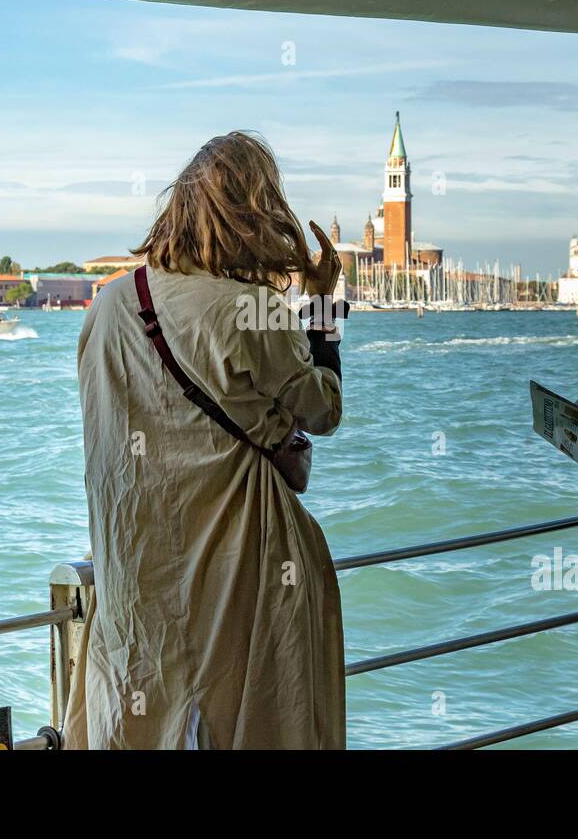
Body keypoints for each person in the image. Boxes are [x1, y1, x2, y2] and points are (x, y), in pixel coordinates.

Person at [65, 131, 346, 749]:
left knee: (138, 722)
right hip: (245, 574)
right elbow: (323, 409)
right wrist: (325, 303)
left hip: (136, 581)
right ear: (258, 212)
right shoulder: (254, 310)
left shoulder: (108, 304)